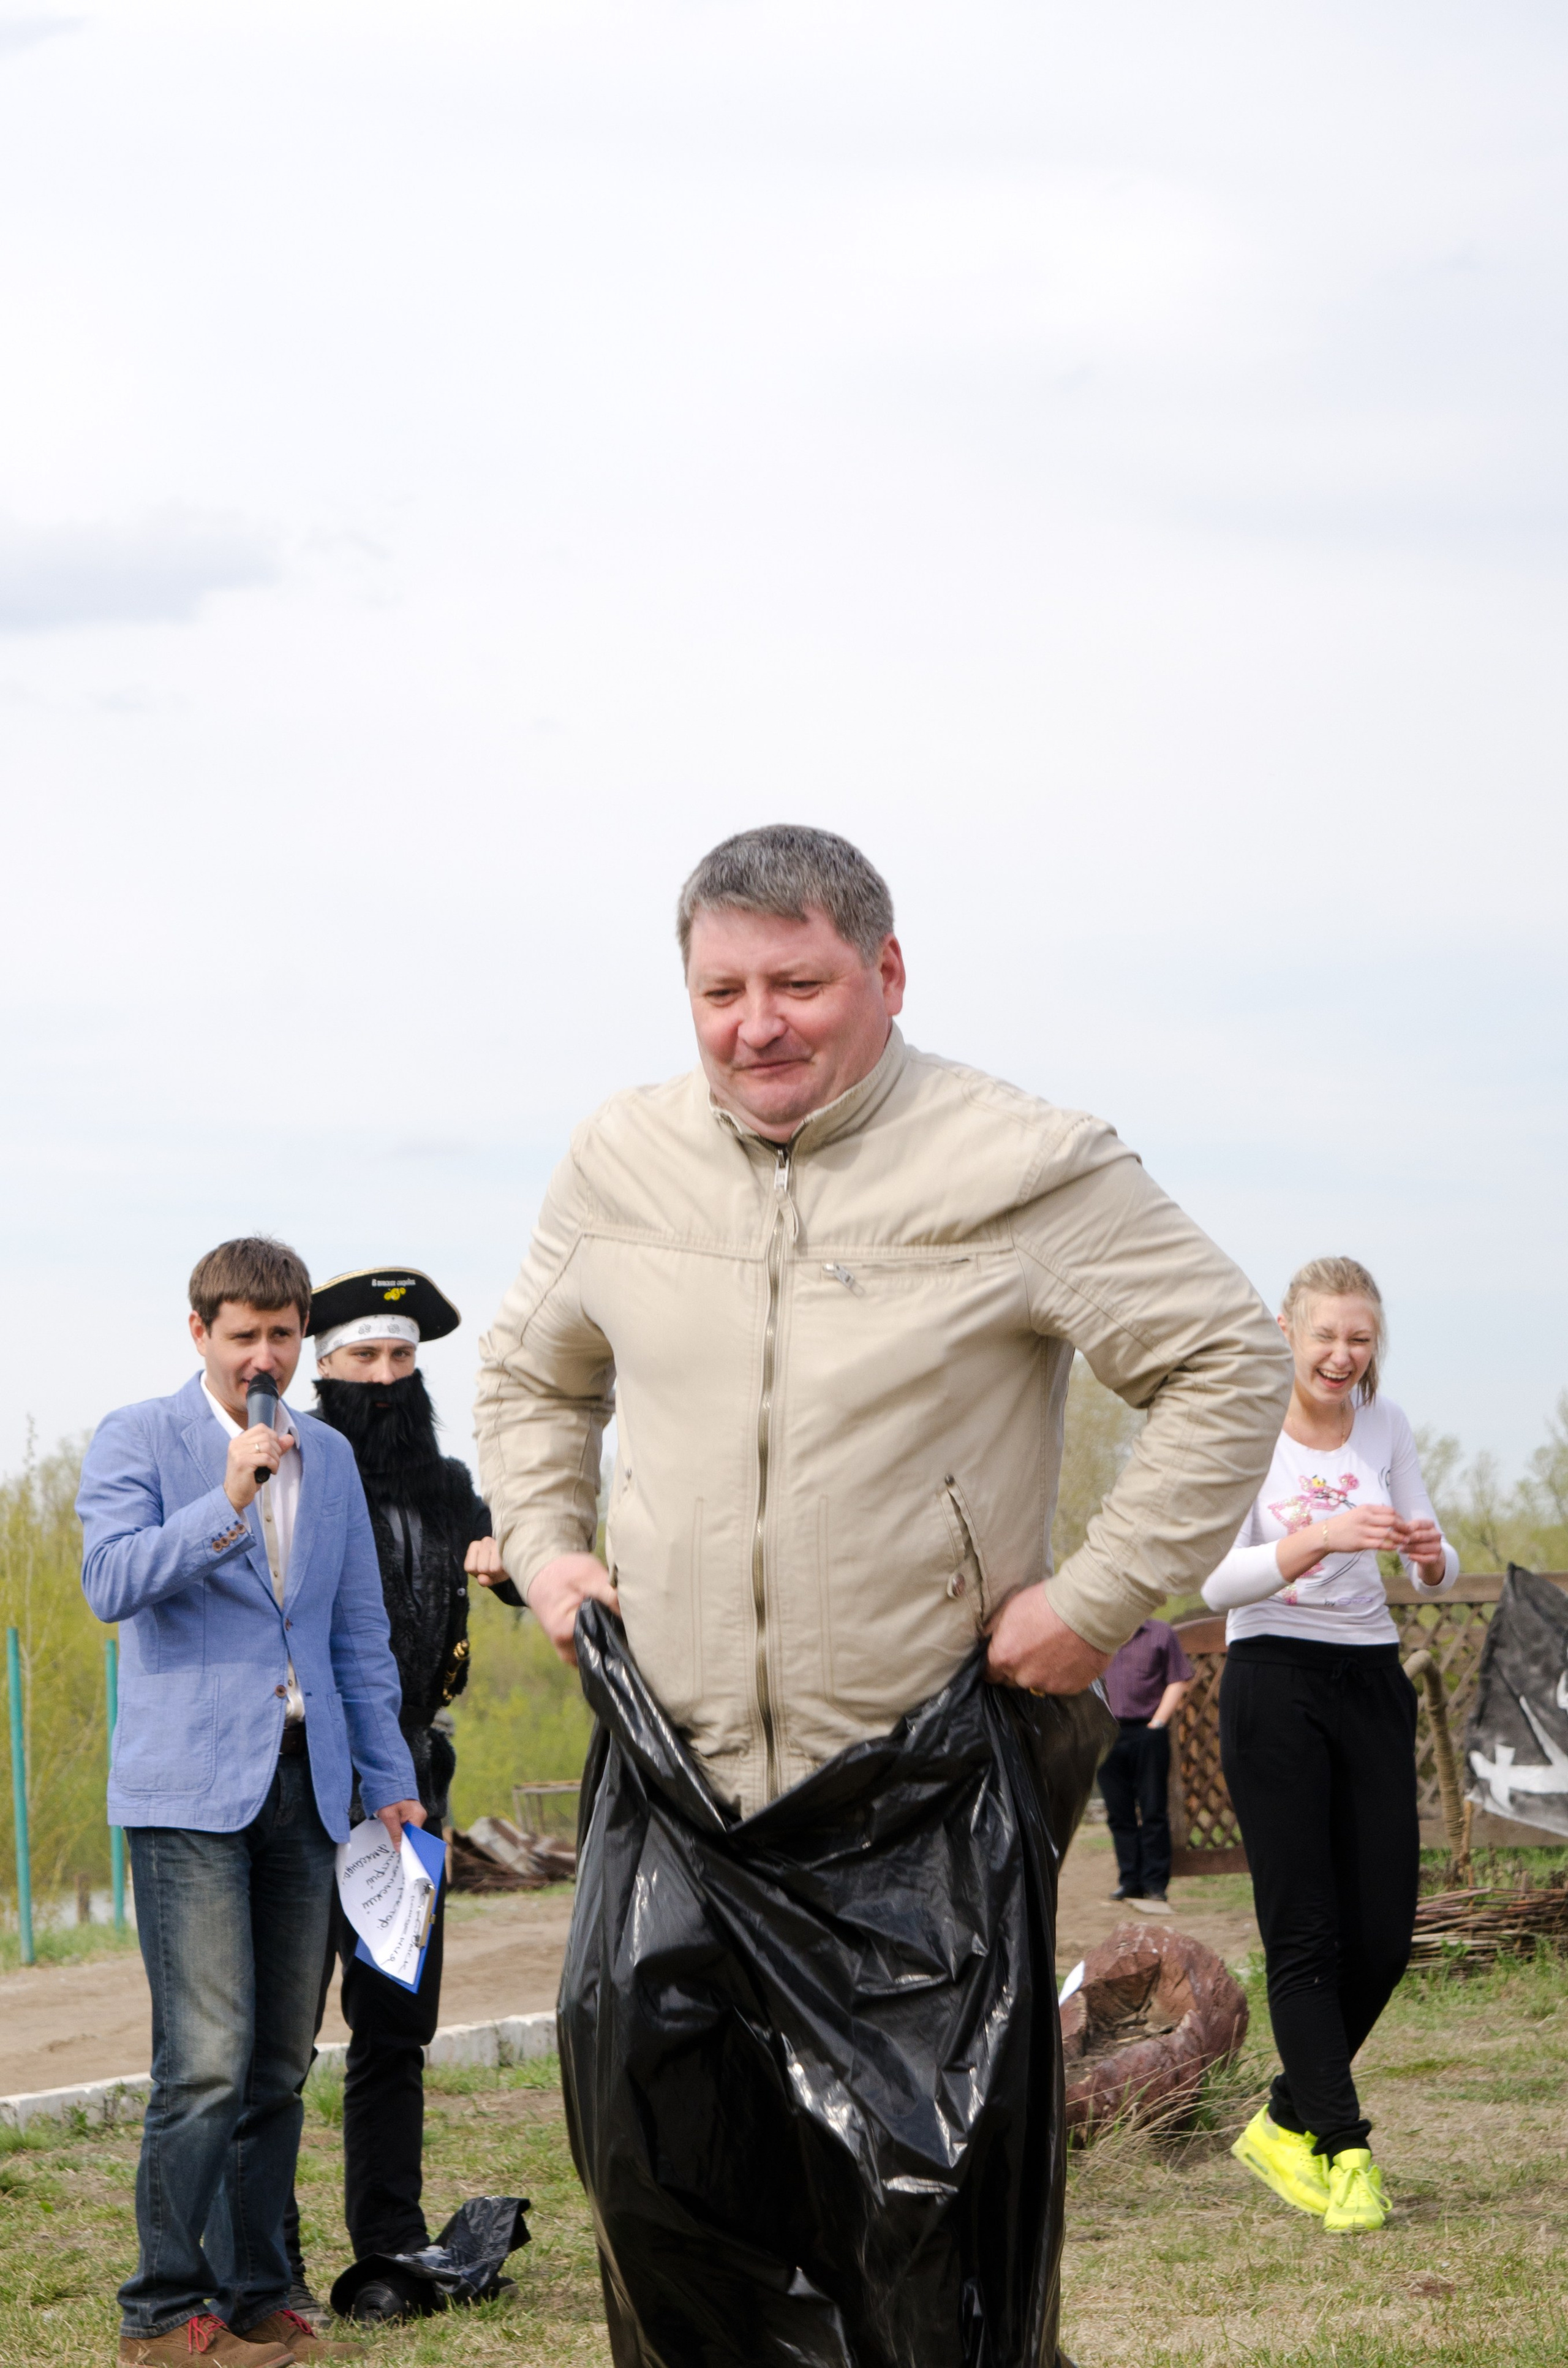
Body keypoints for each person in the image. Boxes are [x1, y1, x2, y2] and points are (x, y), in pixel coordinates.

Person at [475, 825, 1292, 2362]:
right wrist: (543, 1540)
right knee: (667, 2225)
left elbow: (1223, 1360)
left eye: (795, 981)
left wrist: (1100, 1594)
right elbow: (527, 1374)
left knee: (925, 2258)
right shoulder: (618, 1159)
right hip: (682, 1787)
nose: (754, 1024)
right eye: (719, 989)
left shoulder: (1021, 1162)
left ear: (884, 972)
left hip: (914, 1802)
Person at [78, 1238, 423, 2368]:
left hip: (307, 1786)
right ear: (200, 1336)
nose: (265, 1357)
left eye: (282, 1335)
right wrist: (226, 1501)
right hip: (187, 1791)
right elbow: (110, 1583)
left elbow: (356, 1636)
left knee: (281, 2059)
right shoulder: (143, 1437)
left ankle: (259, 2290)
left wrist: (390, 1782)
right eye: (244, 1337)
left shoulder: (328, 1454)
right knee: (208, 2060)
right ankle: (162, 2313)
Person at [1202, 1254, 1457, 2236]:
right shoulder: (1244, 1431)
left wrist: (1434, 1556)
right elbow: (1217, 1583)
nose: (1343, 1355)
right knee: (1304, 1934)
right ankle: (1346, 2153)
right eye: (1327, 1336)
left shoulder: (1386, 1427)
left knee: (1385, 1938)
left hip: (1370, 1678)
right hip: (1274, 1681)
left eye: (1360, 1339)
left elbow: (1434, 1556)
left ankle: (1281, 2119)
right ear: (1287, 1331)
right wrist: (1321, 1537)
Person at [281, 1266, 517, 2324]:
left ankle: (388, 2244)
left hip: (410, 1791)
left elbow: (513, 1559)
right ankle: (263, 2262)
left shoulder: (448, 1485)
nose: (384, 1377)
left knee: (393, 2025)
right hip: (291, 1787)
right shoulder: (288, 1476)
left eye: (401, 1357)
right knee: (273, 2037)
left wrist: (511, 1562)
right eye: (362, 1358)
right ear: (321, 1369)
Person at [1097, 1618, 1193, 1908]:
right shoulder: (1100, 1630)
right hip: (1107, 1733)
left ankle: (1155, 1884)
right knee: (1118, 1811)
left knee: (1153, 1809)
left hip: (1148, 1732)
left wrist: (1158, 1723)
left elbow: (1178, 1679)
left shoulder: (1161, 1634)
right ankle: (1130, 1881)